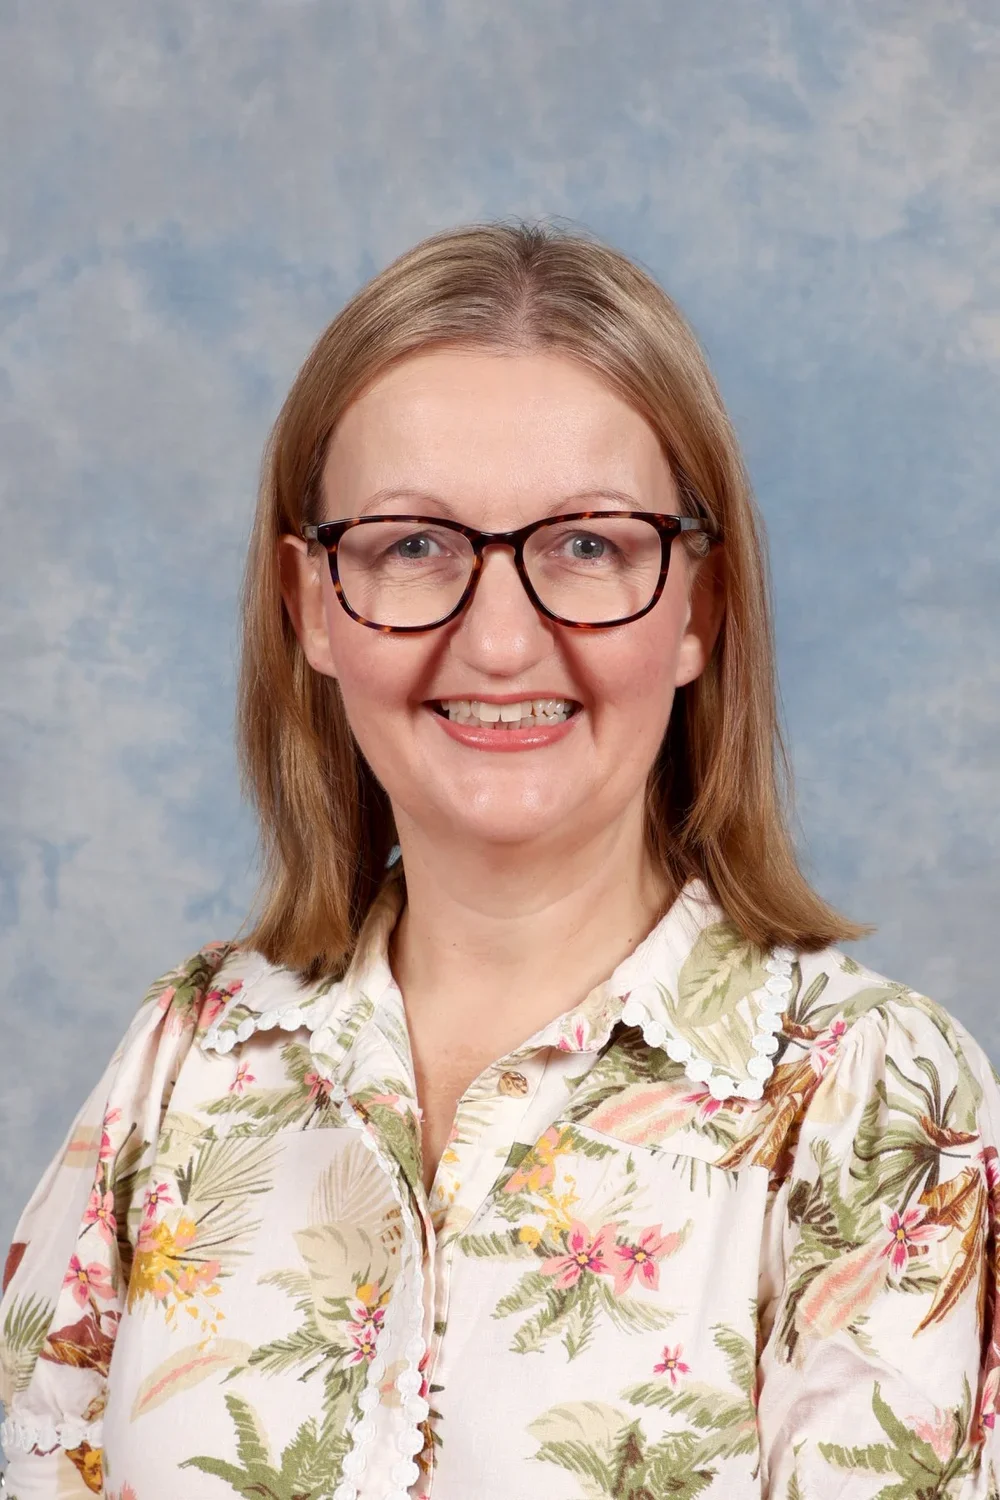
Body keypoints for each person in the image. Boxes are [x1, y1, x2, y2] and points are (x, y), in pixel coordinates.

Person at [1, 222, 997, 1500]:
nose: (502, 641)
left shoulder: (868, 1103)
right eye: (414, 545)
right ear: (312, 604)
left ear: (699, 608)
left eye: (587, 544)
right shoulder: (181, 1061)